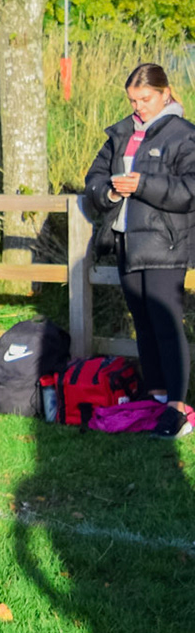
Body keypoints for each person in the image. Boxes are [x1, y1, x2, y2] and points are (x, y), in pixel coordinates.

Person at [84, 63, 195, 403]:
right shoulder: (121, 133)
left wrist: (143, 185)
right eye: (133, 100)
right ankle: (155, 398)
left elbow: (190, 189)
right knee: (143, 325)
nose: (139, 107)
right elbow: (94, 178)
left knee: (166, 326)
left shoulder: (184, 135)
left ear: (165, 93)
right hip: (126, 240)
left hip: (165, 244)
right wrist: (110, 193)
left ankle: (176, 406)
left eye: (145, 99)